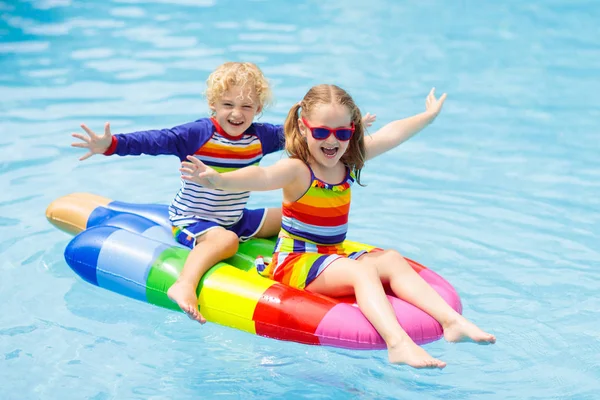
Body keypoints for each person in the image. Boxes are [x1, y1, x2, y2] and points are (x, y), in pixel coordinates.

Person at [179, 84, 496, 369]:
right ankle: (398, 344)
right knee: (362, 271)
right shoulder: (297, 170)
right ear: (304, 129)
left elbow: (391, 134)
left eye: (342, 134)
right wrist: (218, 178)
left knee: (392, 259)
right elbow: (261, 178)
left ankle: (452, 322)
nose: (332, 141)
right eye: (321, 132)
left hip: (333, 254)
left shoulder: (348, 161)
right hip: (296, 262)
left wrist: (427, 116)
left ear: (352, 131)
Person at [71, 62, 376, 324]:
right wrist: (110, 146)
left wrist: (340, 130)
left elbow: (312, 135)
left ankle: (316, 260)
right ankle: (185, 284)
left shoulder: (262, 136)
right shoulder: (197, 135)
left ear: (258, 109)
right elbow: (153, 141)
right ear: (213, 105)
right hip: (194, 219)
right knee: (225, 240)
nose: (236, 113)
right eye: (228, 104)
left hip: (235, 216)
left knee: (293, 214)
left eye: (246, 106)